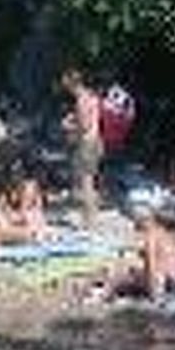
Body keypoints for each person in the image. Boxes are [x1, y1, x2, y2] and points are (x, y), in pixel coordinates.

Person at [61, 68, 104, 231]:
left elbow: (84, 126)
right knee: (90, 182)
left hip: (87, 144)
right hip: (96, 142)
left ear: (73, 84)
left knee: (86, 184)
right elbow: (90, 119)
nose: (66, 90)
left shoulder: (81, 100)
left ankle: (89, 223)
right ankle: (92, 219)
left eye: (67, 86)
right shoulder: (92, 96)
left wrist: (68, 126)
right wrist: (74, 118)